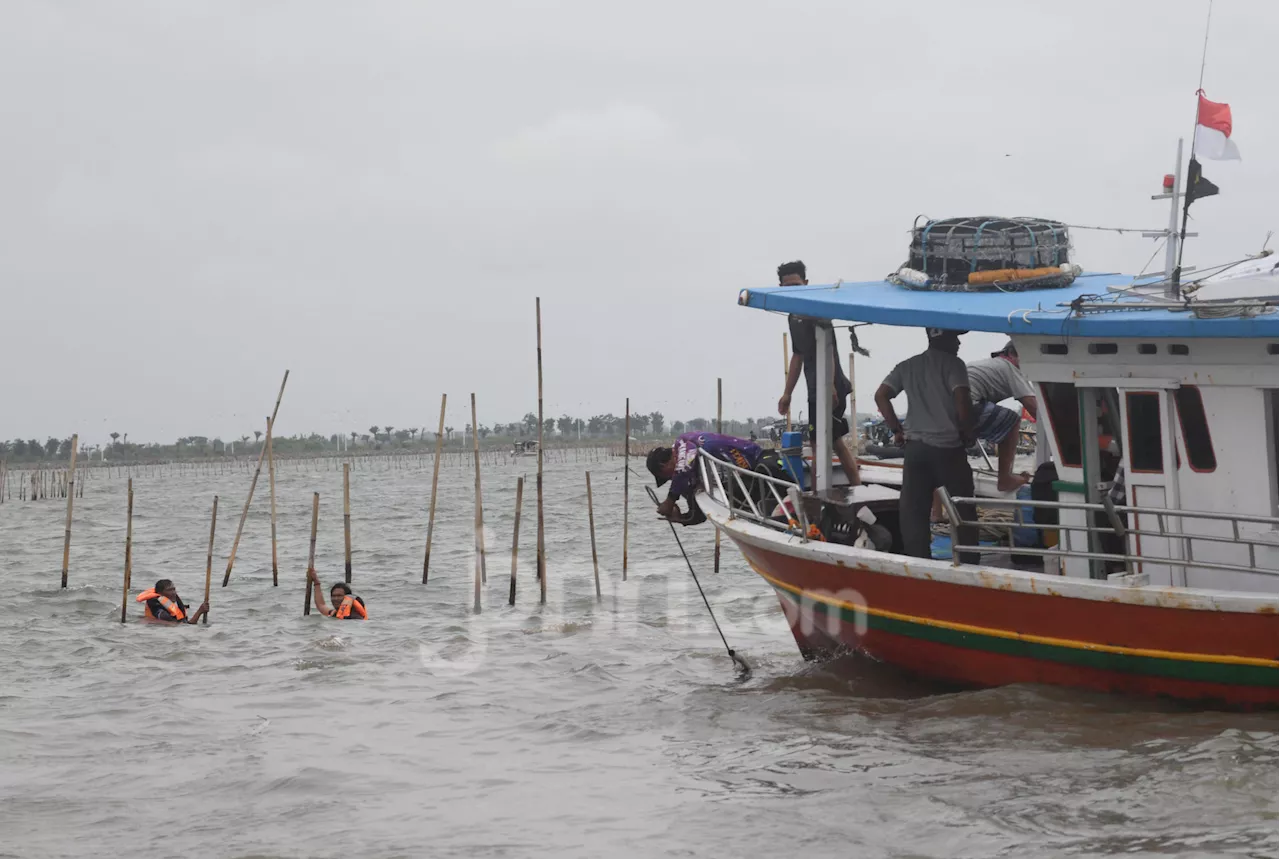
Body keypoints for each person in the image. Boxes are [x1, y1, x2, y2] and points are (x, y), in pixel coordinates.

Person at [874, 328, 980, 563]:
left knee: (914, 510)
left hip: (916, 449)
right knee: (963, 507)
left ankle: (918, 562)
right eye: (955, 337)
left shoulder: (907, 365)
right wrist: (967, 432)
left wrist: (896, 430)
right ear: (944, 338)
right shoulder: (954, 364)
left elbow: (881, 395)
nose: (959, 342)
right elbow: (962, 399)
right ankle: (969, 562)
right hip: (948, 449)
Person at [775, 260, 860, 486]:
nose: (792, 290)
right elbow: (797, 356)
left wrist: (829, 385)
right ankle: (856, 487)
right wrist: (787, 393)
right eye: (787, 287)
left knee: (818, 444)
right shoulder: (793, 317)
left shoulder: (818, 313)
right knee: (833, 441)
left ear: (806, 283)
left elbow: (829, 349)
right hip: (814, 389)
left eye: (796, 285)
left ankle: (818, 497)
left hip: (830, 387)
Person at [967, 340, 1039, 491]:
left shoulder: (992, 364)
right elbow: (1034, 408)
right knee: (1011, 420)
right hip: (966, 404)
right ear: (1012, 354)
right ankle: (1005, 478)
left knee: (945, 454)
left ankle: (936, 510)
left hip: (944, 405)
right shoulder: (1010, 368)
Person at [647, 431, 763, 525]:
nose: (671, 479)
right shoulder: (688, 474)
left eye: (667, 477)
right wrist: (679, 517)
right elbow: (698, 516)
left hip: (755, 459)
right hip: (746, 481)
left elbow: (684, 468)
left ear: (663, 466)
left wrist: (670, 500)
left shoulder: (682, 443)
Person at [135, 579, 209, 624]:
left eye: (174, 589)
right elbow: (184, 626)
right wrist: (199, 612)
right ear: (160, 593)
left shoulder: (167, 603)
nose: (174, 593)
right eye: (169, 590)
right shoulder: (157, 607)